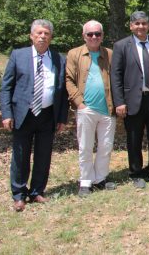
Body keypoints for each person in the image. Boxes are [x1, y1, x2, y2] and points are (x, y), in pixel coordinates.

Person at [0, 19, 68, 211]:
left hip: (47, 115)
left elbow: (62, 91)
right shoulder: (18, 56)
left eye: (46, 34)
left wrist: (62, 118)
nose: (42, 36)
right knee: (20, 155)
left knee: (43, 155)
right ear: (31, 36)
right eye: (39, 33)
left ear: (51, 37)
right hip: (23, 114)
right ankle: (19, 195)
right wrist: (6, 114)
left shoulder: (58, 59)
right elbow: (6, 87)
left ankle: (37, 191)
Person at [111, 11, 149, 189]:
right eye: (137, 23)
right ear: (131, 26)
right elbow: (116, 76)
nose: (141, 27)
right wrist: (119, 101)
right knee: (134, 137)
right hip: (133, 100)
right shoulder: (122, 46)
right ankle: (136, 173)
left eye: (144, 23)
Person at [65, 20, 116, 197]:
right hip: (86, 109)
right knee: (85, 146)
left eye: (97, 34)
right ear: (84, 36)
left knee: (105, 146)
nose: (94, 37)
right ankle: (86, 181)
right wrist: (79, 103)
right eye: (90, 34)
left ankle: (100, 178)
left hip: (108, 109)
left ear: (102, 36)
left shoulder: (109, 54)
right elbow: (68, 80)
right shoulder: (74, 54)